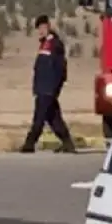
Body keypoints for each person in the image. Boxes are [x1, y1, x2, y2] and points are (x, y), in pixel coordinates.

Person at [20, 15, 75, 153]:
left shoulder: (55, 44)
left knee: (39, 117)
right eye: (39, 28)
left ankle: (29, 144)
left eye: (43, 27)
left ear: (48, 27)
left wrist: (56, 87)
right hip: (42, 87)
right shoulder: (44, 44)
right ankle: (67, 143)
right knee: (53, 118)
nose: (41, 31)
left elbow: (61, 68)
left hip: (48, 88)